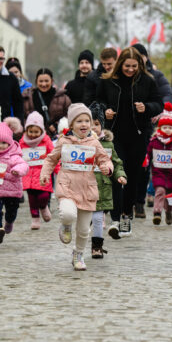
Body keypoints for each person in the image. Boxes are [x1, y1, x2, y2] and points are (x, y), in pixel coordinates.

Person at [96, 47, 162, 236]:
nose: (131, 70)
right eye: (127, 66)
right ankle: (115, 219)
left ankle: (126, 216)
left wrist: (146, 107)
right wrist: (105, 111)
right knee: (116, 174)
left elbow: (158, 104)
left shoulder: (147, 81)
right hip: (114, 135)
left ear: (140, 65)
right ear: (120, 64)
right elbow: (97, 101)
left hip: (138, 135)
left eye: (134, 66)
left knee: (132, 176)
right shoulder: (108, 81)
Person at [40, 103, 113, 271]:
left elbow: (104, 159)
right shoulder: (64, 141)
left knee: (84, 230)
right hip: (67, 186)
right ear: (71, 124)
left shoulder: (94, 143)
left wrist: (107, 168)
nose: (84, 124)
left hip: (87, 189)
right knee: (68, 214)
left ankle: (78, 254)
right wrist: (45, 174)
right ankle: (65, 225)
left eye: (87, 121)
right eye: (79, 121)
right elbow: (51, 159)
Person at [89, 103, 126, 258]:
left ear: (102, 125)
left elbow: (116, 163)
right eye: (89, 123)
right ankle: (78, 245)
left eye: (96, 124)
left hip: (102, 189)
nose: (93, 127)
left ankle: (97, 247)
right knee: (83, 222)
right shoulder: (78, 144)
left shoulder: (108, 145)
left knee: (98, 219)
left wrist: (120, 175)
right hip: (84, 188)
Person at [0, 118, 29, 244]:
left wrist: (17, 170)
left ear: (10, 142)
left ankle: (9, 222)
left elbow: (24, 165)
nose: (0, 146)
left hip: (12, 191)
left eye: (4, 143)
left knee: (11, 211)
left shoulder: (14, 156)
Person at [20, 111, 55, 229]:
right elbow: (18, 156)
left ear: (41, 130)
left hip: (43, 175)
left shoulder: (46, 141)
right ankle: (35, 218)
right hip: (28, 176)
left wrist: (58, 169)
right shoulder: (22, 142)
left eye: (36, 132)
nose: (33, 135)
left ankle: (44, 207)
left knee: (43, 196)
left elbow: (53, 155)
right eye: (31, 132)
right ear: (26, 130)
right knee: (32, 199)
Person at [23, 68, 71, 138]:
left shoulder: (63, 98)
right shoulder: (27, 97)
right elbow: (23, 117)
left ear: (52, 81)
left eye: (46, 81)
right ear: (36, 81)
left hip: (56, 138)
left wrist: (58, 126)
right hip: (34, 138)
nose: (43, 84)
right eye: (41, 81)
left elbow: (69, 117)